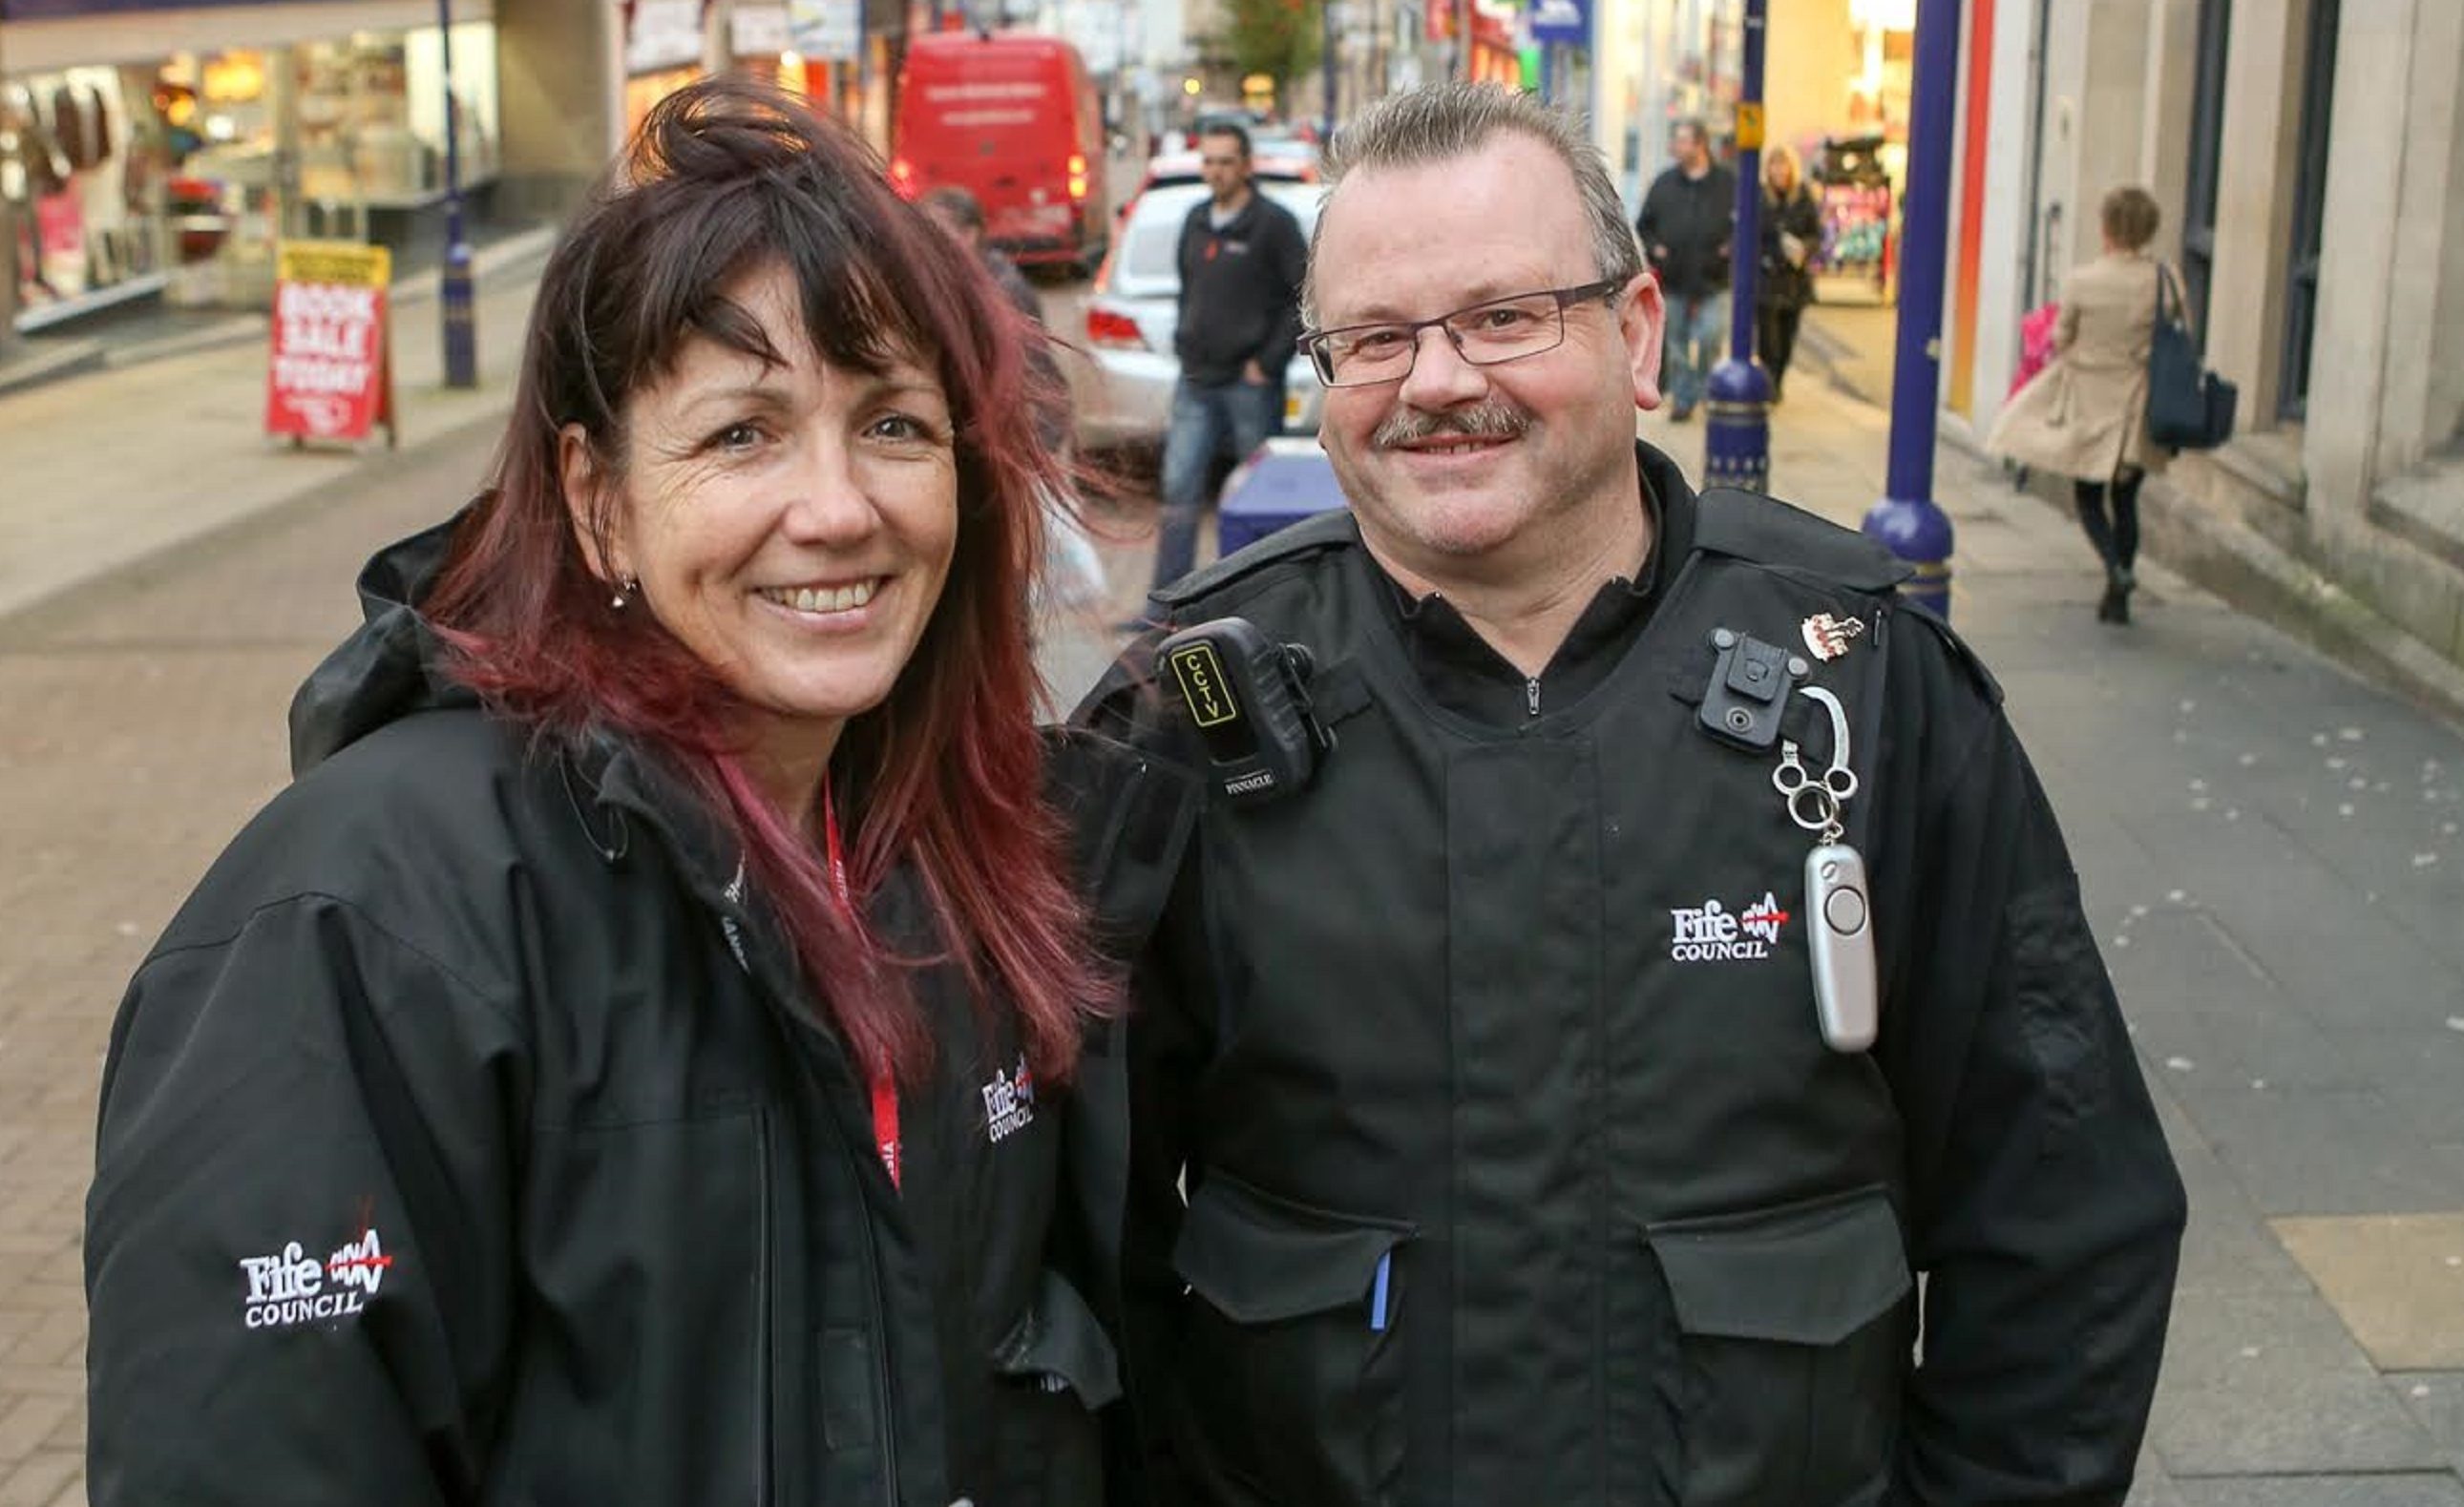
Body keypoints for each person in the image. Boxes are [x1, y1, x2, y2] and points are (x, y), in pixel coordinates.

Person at [1073, 81, 2185, 1507]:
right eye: (1374, 338)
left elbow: (2062, 1218)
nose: (1433, 380)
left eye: (1503, 316)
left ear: (1639, 330)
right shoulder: (1184, 721)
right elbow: (1072, 1253)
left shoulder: (1870, 691)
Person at [84, 78, 1128, 1506]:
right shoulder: (366, 918)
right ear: (595, 497)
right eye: (743, 433)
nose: (837, 506)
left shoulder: (939, 858)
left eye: (891, 423)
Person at [1987, 185, 2172, 624]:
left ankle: (2115, 569)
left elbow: (2060, 338)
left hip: (2089, 400)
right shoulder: (2164, 280)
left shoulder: (2084, 281)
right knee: (2126, 500)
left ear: (2107, 228)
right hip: (2137, 406)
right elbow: (2177, 331)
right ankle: (2118, 593)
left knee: (2088, 497)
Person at [1147, 120, 1307, 597]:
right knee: (1178, 490)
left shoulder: (1273, 224)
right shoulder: (1195, 220)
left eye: (1224, 162)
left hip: (1250, 384)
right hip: (1196, 380)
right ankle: (1167, 601)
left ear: (1246, 166)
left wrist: (1268, 362)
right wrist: (1183, 339)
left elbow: (1304, 296)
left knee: (1255, 496)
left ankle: (1252, 595)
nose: (1214, 171)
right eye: (1208, 161)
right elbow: (1188, 289)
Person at [1635, 115, 1734, 421]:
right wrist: (1656, 250)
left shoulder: (1726, 184)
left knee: (1710, 337)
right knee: (1675, 344)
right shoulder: (1665, 182)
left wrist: (1730, 248)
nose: (1675, 146)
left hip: (1714, 278)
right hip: (1675, 279)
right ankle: (1683, 398)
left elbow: (1744, 223)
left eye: (1682, 140)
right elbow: (1645, 223)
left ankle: (1705, 388)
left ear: (1700, 144)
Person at [1755, 142, 1822, 403]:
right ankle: (1770, 385)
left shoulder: (1803, 197)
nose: (1779, 171)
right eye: (1774, 165)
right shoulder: (1760, 197)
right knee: (1768, 341)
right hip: (1767, 279)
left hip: (1794, 281)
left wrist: (1804, 248)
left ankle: (1778, 380)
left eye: (1783, 165)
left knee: (1787, 338)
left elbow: (1816, 235)